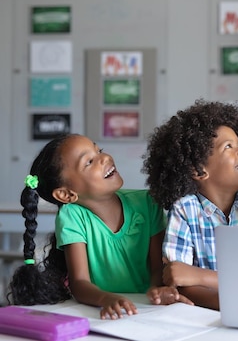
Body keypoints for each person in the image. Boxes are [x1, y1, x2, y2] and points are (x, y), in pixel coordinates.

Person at [7, 134, 186, 319]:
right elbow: (79, 283)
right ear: (66, 195)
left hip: (149, 308)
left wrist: (156, 290)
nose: (105, 157)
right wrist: (106, 299)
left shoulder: (147, 203)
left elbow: (159, 268)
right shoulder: (71, 217)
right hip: (100, 311)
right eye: (90, 161)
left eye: (98, 150)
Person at [142, 99, 238, 310]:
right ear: (199, 170)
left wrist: (201, 276)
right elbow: (178, 278)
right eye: (228, 147)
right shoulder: (185, 210)